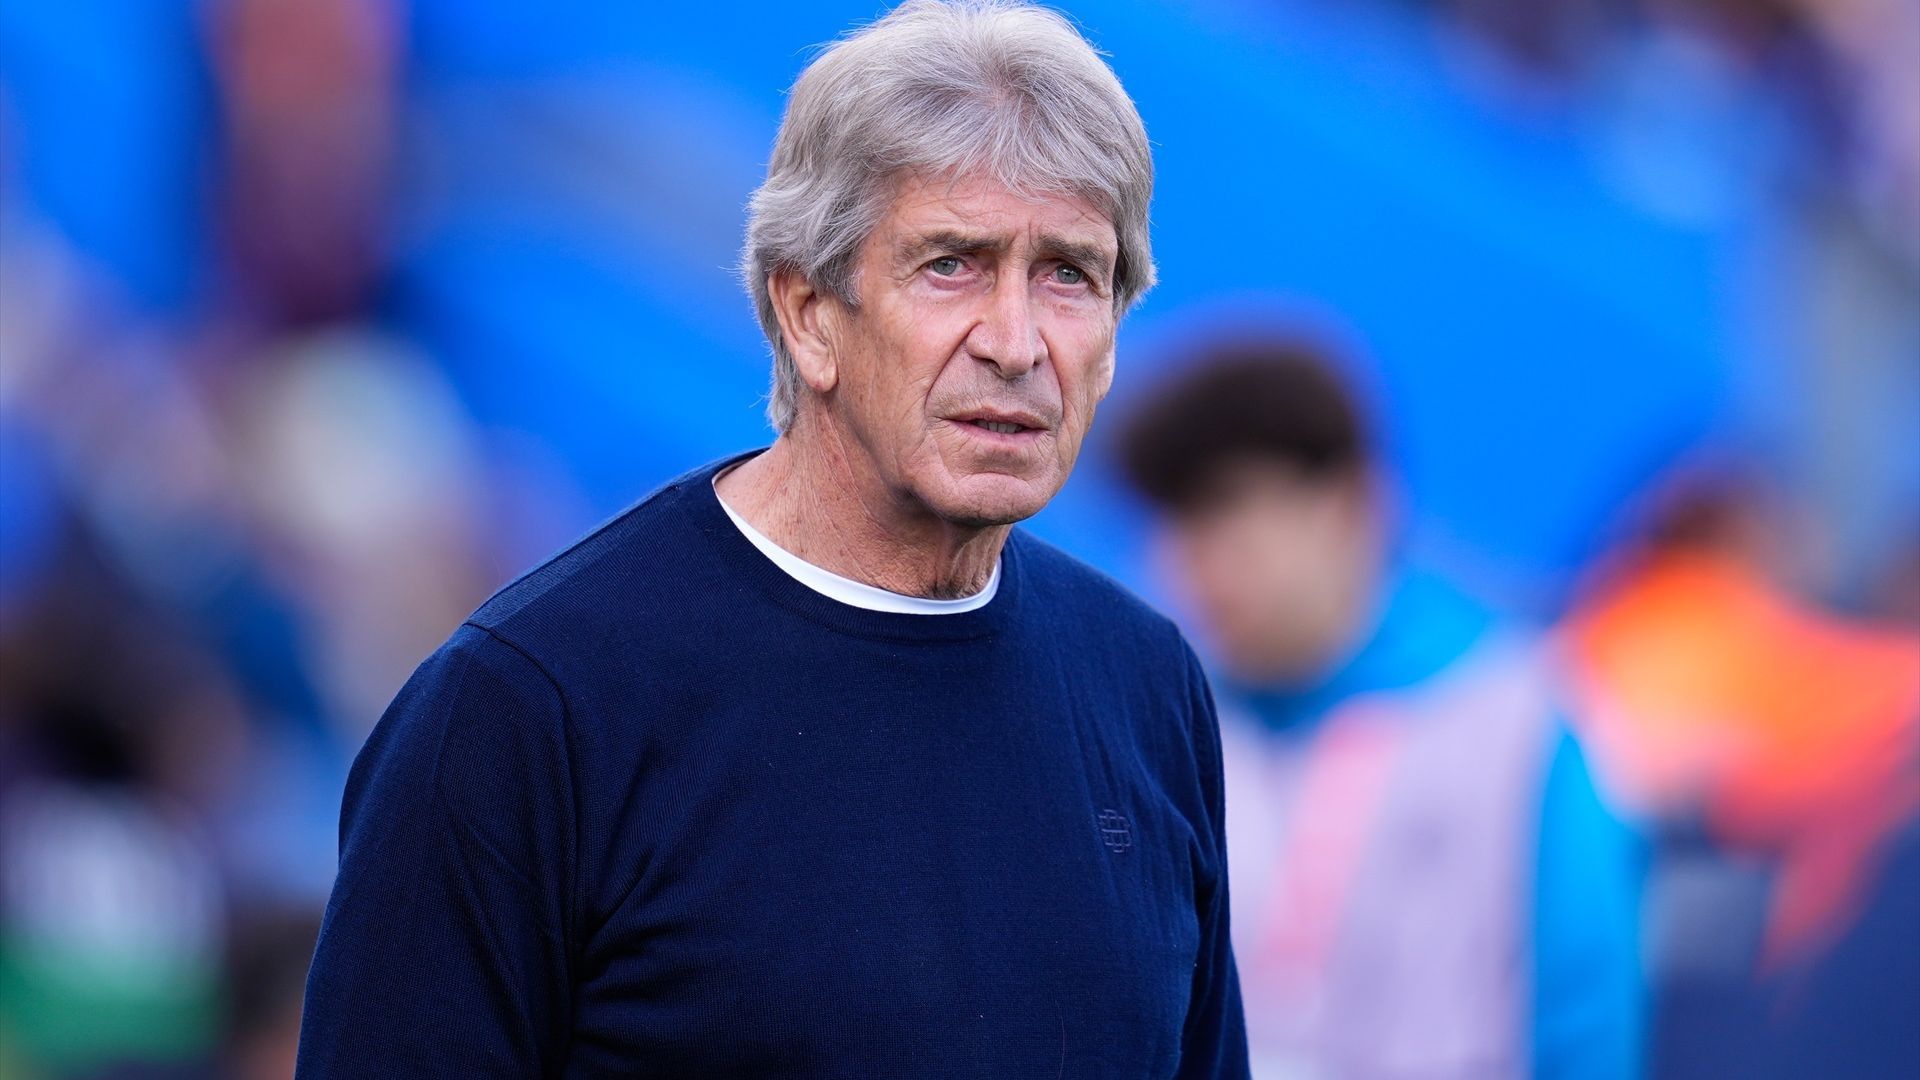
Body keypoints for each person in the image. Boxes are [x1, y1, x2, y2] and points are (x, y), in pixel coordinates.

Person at [294, 2, 1248, 1077]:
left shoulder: (1147, 685)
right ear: (805, 312)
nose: (1017, 341)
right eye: (953, 264)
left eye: (1070, 274)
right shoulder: (532, 709)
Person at [1116, 341, 1642, 1079]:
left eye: (1227, 509)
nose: (1193, 561)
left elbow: (1582, 1026)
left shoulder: (1510, 724)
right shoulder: (1159, 723)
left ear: (1350, 504)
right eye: (1172, 524)